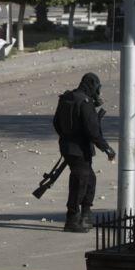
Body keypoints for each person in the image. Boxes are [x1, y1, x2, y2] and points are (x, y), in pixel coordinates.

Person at [52, 72, 116, 233]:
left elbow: (56, 123)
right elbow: (93, 131)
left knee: (89, 179)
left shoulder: (67, 98)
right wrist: (106, 148)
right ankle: (72, 218)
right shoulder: (85, 102)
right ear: (92, 85)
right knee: (79, 182)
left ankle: (86, 214)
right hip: (79, 149)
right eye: (97, 88)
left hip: (68, 146)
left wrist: (67, 137)